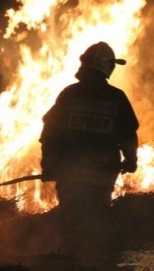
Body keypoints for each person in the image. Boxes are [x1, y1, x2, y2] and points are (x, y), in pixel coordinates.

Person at [39, 41, 139, 265]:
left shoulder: (69, 94)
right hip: (101, 176)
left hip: (70, 174)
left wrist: (48, 165)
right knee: (97, 220)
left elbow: (50, 133)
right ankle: (95, 262)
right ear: (106, 67)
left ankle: (69, 261)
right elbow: (127, 135)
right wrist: (131, 160)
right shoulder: (116, 97)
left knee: (70, 219)